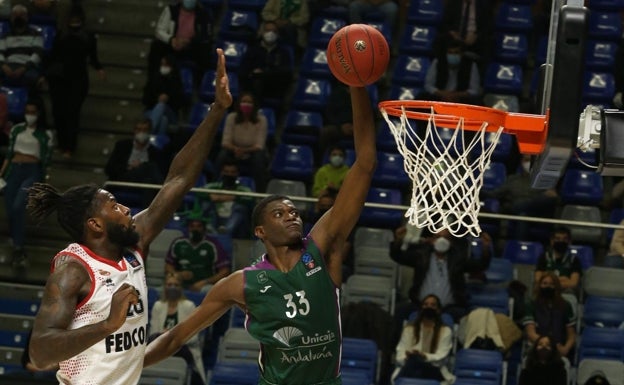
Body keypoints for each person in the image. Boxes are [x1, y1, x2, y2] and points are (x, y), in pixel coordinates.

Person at [144, 85, 377, 385]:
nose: (291, 215)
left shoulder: (322, 246)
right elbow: (177, 337)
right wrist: (129, 365)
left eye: (293, 211)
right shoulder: (242, 283)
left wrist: (356, 86)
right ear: (260, 231)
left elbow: (366, 162)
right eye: (279, 213)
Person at [25, 49, 231, 385]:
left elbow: (177, 180)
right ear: (94, 225)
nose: (125, 209)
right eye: (113, 205)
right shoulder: (72, 272)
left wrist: (217, 111)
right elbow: (40, 353)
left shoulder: (135, 243)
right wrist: (106, 324)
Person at [390, 227, 492, 322]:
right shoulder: (421, 256)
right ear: (432, 240)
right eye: (438, 237)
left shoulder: (458, 259)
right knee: (400, 311)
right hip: (420, 305)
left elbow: (480, 265)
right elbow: (397, 256)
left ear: (451, 242)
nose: (441, 240)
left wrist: (486, 248)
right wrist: (398, 240)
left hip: (449, 308)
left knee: (460, 316)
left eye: (446, 237)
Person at [46, 4, 105, 159]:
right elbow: (53, 56)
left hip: (77, 79)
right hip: (59, 79)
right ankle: (62, 143)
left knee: (72, 113)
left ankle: (70, 146)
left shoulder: (87, 37)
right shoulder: (61, 35)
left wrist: (99, 68)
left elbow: (93, 57)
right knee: (59, 112)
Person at [0, 100, 52, 266]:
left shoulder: (46, 135)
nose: (29, 115)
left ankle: (19, 246)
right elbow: (9, 154)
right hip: (14, 170)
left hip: (32, 171)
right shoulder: (16, 129)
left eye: (33, 112)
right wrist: (1, 174)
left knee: (17, 206)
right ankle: (17, 246)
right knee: (10, 209)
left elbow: (46, 160)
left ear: (38, 114)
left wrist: (42, 182)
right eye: (27, 111)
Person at [482, 154, 559, 240]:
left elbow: (553, 197)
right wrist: (478, 191)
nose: (529, 163)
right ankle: (518, 247)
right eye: (526, 160)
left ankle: (520, 206)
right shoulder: (512, 180)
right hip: (517, 214)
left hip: (537, 214)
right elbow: (494, 194)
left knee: (528, 207)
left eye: (531, 160)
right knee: (522, 215)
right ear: (521, 162)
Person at [148, 274, 206, 385]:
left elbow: (193, 338)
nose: (172, 287)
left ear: (181, 288)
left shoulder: (189, 306)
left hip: (183, 351)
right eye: (169, 284)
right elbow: (152, 335)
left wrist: (172, 335)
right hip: (162, 350)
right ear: (165, 286)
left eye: (176, 285)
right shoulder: (158, 306)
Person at [392, 294, 454, 384]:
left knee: (416, 361)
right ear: (421, 309)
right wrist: (407, 357)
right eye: (425, 304)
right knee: (413, 362)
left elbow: (441, 357)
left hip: (434, 370)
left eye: (433, 305)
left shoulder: (446, 331)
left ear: (438, 310)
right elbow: (399, 354)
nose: (428, 307)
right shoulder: (409, 329)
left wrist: (424, 356)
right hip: (410, 367)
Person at [104, 118, 167, 207]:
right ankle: (165, 191)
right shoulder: (122, 145)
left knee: (149, 182)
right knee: (150, 166)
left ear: (149, 132)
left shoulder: (155, 152)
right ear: (134, 131)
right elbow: (108, 169)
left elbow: (162, 171)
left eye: (145, 130)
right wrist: (128, 166)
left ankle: (146, 217)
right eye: (139, 129)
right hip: (124, 180)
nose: (141, 133)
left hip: (142, 184)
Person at [214, 91, 268, 192]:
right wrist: (236, 149)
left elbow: (259, 145)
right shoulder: (231, 117)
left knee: (259, 159)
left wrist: (244, 150)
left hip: (252, 152)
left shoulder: (262, 120)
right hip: (233, 150)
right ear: (239, 104)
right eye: (244, 101)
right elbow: (225, 142)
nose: (246, 104)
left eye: (249, 102)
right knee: (222, 155)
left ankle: (260, 192)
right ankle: (214, 186)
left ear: (254, 105)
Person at [165, 217, 232, 292]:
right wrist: (177, 275)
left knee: (208, 290)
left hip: (205, 284)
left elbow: (225, 271)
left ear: (204, 228)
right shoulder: (178, 243)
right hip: (180, 283)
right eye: (192, 226)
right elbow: (168, 265)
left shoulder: (212, 245)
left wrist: (205, 282)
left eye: (198, 226)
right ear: (188, 228)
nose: (195, 229)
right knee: (169, 287)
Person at [148, 0, 212, 76]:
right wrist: (171, 40)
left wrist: (189, 41)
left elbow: (206, 36)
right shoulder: (171, 10)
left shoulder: (203, 14)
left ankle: (199, 83)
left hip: (191, 46)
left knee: (205, 52)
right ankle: (153, 79)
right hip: (173, 44)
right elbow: (159, 30)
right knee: (156, 46)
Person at [522, 272, 576, 361]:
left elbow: (571, 335)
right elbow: (530, 333)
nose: (548, 286)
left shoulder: (566, 305)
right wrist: (547, 345)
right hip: (537, 347)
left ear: (556, 287)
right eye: (545, 283)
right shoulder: (531, 304)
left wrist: (565, 348)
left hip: (559, 349)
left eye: (551, 284)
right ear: (540, 285)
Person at [238, 21, 294, 108]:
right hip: (253, 86)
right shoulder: (252, 51)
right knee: (256, 82)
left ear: (278, 34)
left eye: (274, 31)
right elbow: (243, 71)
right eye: (268, 30)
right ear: (262, 32)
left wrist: (264, 73)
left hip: (274, 87)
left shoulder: (283, 52)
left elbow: (287, 73)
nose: (270, 33)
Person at [200, 159, 255, 238]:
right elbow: (199, 192)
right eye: (226, 171)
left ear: (237, 174)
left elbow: (250, 198)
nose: (229, 174)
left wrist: (228, 197)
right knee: (206, 204)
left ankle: (226, 231)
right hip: (217, 218)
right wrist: (209, 196)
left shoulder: (243, 189)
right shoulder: (213, 186)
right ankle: (211, 230)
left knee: (241, 207)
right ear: (222, 172)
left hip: (234, 221)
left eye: (232, 172)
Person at [421, 36, 482, 105]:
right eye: (450, 53)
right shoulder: (438, 62)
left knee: (477, 102)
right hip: (440, 96)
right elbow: (428, 85)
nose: (453, 55)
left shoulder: (471, 65)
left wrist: (457, 95)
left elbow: (474, 90)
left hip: (461, 99)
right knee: (422, 97)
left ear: (461, 54)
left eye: (456, 53)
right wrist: (443, 94)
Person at [0, 5, 44, 88]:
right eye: (15, 15)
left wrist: (24, 68)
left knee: (41, 82)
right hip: (8, 65)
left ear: (27, 17)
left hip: (27, 66)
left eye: (21, 15)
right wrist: (4, 66)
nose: (18, 17)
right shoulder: (5, 36)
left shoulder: (35, 34)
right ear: (11, 18)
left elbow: (38, 54)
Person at [142, 54, 185, 135]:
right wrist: (157, 99)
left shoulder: (176, 82)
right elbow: (145, 100)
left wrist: (168, 99)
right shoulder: (154, 80)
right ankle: (156, 144)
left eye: (166, 65)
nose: (163, 67)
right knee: (163, 120)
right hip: (151, 110)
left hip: (171, 112)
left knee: (161, 106)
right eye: (162, 64)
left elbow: (180, 103)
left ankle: (148, 133)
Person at [534, 227, 582, 295]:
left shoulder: (574, 260)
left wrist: (549, 281)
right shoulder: (544, 257)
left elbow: (573, 283)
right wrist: (564, 279)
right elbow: (538, 279)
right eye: (558, 239)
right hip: (545, 293)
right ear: (552, 241)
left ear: (569, 242)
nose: (561, 241)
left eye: (564, 239)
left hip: (566, 294)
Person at [317, 80, 353, 164]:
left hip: (357, 129)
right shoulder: (337, 94)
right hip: (339, 126)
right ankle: (319, 163)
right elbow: (329, 113)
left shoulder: (363, 96)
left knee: (369, 137)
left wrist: (355, 127)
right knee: (325, 132)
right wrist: (341, 126)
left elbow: (368, 115)